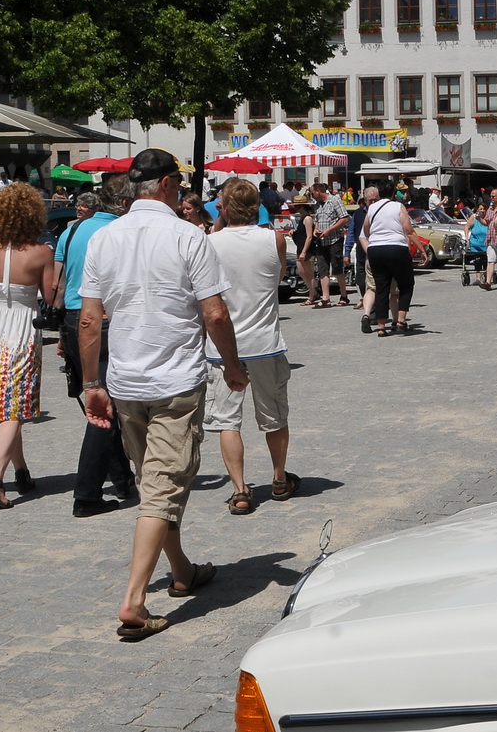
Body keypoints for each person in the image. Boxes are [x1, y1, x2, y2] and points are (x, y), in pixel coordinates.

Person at [79, 149, 247, 641]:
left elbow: (89, 319)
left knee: (156, 478)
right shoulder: (188, 235)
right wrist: (233, 367)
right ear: (171, 185)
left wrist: (92, 384)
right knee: (160, 487)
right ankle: (133, 601)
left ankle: (182, 571)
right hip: (174, 381)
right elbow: (215, 314)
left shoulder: (104, 238)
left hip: (126, 382)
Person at [205, 179, 300, 515]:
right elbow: (275, 280)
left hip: (223, 347)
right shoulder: (274, 238)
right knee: (274, 416)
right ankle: (278, 478)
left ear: (225, 206)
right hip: (265, 341)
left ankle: (240, 490)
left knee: (228, 422)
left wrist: (218, 222)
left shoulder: (210, 242)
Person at [0, 184, 56, 509]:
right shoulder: (40, 252)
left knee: (6, 406)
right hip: (21, 334)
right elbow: (49, 299)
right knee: (16, 408)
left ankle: (21, 471)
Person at [56, 181, 134, 517]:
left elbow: (57, 283)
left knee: (101, 400)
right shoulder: (119, 231)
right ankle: (86, 493)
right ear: (123, 203)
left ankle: (123, 481)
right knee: (103, 408)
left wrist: (61, 331)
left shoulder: (71, 231)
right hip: (102, 319)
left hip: (73, 318)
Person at [358, 183, 417, 336]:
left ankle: (381, 326)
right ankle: (401, 321)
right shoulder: (398, 207)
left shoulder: (371, 208)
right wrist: (421, 250)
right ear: (393, 193)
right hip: (396, 248)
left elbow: (365, 229)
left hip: (375, 250)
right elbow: (408, 229)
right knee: (406, 284)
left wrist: (374, 238)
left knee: (381, 287)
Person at [306, 182, 349, 307]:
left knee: (337, 267)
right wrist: (316, 229)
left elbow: (345, 218)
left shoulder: (335, 200)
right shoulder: (318, 205)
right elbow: (318, 220)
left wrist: (330, 230)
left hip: (335, 239)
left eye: (312, 193)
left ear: (319, 191)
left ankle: (344, 296)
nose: (312, 195)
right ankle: (326, 298)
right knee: (322, 269)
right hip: (322, 241)